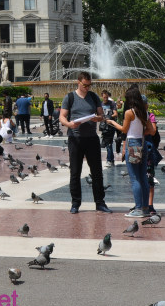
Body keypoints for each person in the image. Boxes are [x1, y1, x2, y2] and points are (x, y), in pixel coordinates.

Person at [59, 72, 111, 214]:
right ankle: (75, 203)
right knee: (75, 172)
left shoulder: (94, 97)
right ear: (78, 82)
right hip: (75, 138)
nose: (87, 88)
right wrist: (69, 124)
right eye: (85, 85)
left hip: (92, 138)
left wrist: (98, 118)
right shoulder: (69, 97)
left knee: (97, 172)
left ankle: (100, 202)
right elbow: (62, 117)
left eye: (89, 85)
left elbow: (102, 115)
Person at [105, 84, 155, 218]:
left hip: (132, 144)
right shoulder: (144, 112)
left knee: (134, 179)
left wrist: (112, 122)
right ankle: (145, 208)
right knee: (143, 177)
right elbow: (152, 130)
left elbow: (124, 130)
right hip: (142, 144)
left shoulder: (129, 112)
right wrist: (141, 132)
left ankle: (138, 209)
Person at [99, 90, 117, 166]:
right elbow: (99, 114)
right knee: (107, 143)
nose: (105, 99)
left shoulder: (112, 103)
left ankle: (109, 160)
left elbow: (115, 114)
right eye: (104, 97)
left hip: (111, 126)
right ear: (102, 96)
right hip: (104, 126)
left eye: (106, 97)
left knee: (109, 143)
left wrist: (109, 117)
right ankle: (111, 160)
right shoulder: (100, 104)